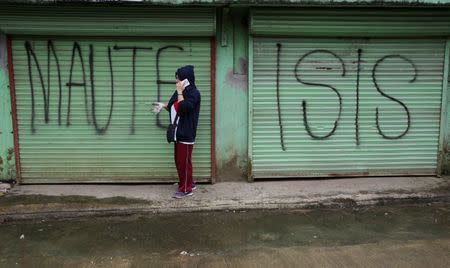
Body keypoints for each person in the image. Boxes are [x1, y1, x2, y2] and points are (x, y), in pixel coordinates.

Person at [152, 65, 201, 199]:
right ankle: (189, 182)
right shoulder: (180, 92)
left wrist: (180, 92)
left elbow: (184, 107)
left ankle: (186, 189)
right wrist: (163, 106)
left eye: (178, 79)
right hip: (177, 132)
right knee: (182, 161)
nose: (176, 82)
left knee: (183, 162)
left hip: (186, 133)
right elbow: (173, 106)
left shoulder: (194, 93)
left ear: (185, 80)